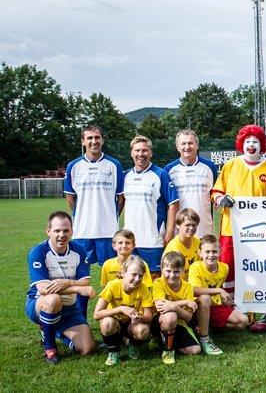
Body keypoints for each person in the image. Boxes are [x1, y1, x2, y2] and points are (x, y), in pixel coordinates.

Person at [211, 124, 266, 332]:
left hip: (260, 232)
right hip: (230, 229)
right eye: (248, 141)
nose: (251, 145)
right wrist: (221, 198)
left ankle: (255, 313)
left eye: (256, 141)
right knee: (228, 268)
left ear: (262, 145)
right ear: (242, 144)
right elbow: (216, 191)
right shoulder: (231, 165)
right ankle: (228, 309)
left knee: (257, 269)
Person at [63, 125, 124, 317]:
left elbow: (121, 198)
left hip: (108, 232)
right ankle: (80, 319)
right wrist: (83, 215)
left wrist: (111, 216)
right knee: (82, 278)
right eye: (89, 138)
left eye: (97, 137)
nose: (93, 141)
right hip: (83, 233)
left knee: (114, 277)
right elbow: (70, 198)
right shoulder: (74, 166)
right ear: (83, 141)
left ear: (102, 140)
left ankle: (114, 319)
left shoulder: (114, 165)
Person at [26, 211, 96, 364]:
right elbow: (44, 289)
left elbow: (85, 282)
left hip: (69, 307)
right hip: (40, 304)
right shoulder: (38, 252)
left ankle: (51, 328)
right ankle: (49, 347)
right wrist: (77, 289)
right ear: (48, 231)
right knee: (53, 300)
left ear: (72, 231)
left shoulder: (79, 251)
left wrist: (69, 283)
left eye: (66, 230)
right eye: (57, 230)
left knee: (87, 348)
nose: (62, 235)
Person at [123, 135, 180, 274]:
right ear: (131, 153)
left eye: (144, 150)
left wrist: (169, 233)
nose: (140, 154)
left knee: (154, 278)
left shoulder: (161, 174)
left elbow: (174, 204)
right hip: (129, 239)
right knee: (131, 278)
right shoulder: (125, 175)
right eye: (137, 151)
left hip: (152, 239)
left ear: (151, 153)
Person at [189, 235, 249, 356]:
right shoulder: (195, 267)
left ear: (220, 252)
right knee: (205, 298)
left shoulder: (224, 268)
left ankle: (205, 326)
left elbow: (218, 287)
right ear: (200, 253)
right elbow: (194, 290)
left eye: (214, 251)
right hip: (196, 307)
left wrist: (223, 299)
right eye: (207, 251)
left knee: (243, 321)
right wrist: (219, 291)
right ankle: (205, 339)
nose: (211, 255)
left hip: (214, 306)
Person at [94, 256, 154, 365]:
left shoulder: (143, 289)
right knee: (107, 323)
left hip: (132, 325)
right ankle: (114, 351)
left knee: (143, 330)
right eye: (134, 275)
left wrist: (139, 318)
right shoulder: (112, 285)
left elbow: (149, 317)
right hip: (115, 324)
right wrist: (121, 309)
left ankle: (133, 345)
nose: (137, 279)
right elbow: (97, 314)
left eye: (140, 276)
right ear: (123, 273)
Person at [164, 129, 218, 238]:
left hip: (204, 229)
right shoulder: (169, 169)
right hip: (178, 232)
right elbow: (167, 203)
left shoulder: (209, 167)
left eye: (190, 143)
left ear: (197, 145)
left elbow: (215, 194)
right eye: (183, 143)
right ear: (177, 147)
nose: (187, 147)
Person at [152, 251, 200, 364]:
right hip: (160, 321)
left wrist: (173, 306)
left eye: (176, 271)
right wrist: (185, 302)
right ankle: (168, 351)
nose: (172, 275)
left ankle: (166, 341)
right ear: (162, 269)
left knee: (195, 350)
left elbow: (188, 317)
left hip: (180, 323)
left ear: (183, 271)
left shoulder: (188, 287)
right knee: (170, 316)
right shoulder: (158, 283)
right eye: (168, 271)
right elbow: (160, 307)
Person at [163, 208, 202, 278]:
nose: (191, 228)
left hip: (193, 282)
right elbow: (170, 278)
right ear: (178, 225)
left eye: (194, 225)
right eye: (187, 225)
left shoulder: (197, 242)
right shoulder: (173, 248)